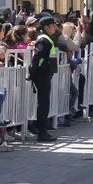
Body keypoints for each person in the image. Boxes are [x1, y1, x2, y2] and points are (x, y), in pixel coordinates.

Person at [28, 14, 59, 142]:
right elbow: (37, 58)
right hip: (42, 74)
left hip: (45, 74)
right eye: (53, 25)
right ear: (46, 26)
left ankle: (43, 130)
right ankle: (42, 132)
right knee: (43, 103)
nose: (55, 27)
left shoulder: (46, 39)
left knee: (44, 103)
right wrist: (34, 72)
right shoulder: (43, 40)